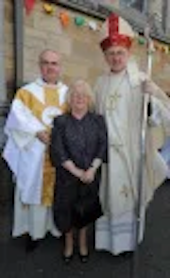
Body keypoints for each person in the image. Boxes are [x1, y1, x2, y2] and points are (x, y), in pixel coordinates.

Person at [94, 13, 170, 255]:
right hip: (108, 153)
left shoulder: (140, 80)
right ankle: (109, 243)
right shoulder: (100, 83)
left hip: (132, 150)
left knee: (130, 198)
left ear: (128, 54)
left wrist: (153, 96)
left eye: (120, 53)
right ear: (105, 56)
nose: (116, 57)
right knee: (110, 197)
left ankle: (127, 244)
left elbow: (159, 115)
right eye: (111, 54)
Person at [3, 49, 68, 251]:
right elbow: (16, 118)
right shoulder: (26, 92)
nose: (50, 67)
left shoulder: (68, 93)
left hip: (61, 155)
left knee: (59, 192)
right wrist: (37, 131)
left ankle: (57, 228)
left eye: (54, 63)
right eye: (46, 63)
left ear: (60, 67)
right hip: (35, 154)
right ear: (40, 66)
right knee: (33, 191)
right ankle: (34, 232)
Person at [50, 79, 107, 263]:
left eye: (83, 95)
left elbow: (102, 146)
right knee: (66, 210)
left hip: (91, 175)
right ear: (69, 99)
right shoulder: (60, 121)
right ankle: (68, 242)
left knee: (85, 210)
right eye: (75, 95)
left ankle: (82, 241)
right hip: (67, 176)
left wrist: (91, 170)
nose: (79, 98)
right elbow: (58, 150)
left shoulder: (98, 120)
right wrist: (77, 172)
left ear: (89, 98)